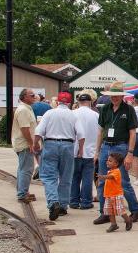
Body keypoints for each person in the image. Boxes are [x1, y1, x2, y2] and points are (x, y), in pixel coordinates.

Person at [93, 81, 138, 225]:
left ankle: (136, 209)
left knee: (122, 181)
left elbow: (133, 133)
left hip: (121, 146)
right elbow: (100, 131)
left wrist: (130, 153)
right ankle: (105, 213)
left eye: (117, 95)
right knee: (102, 180)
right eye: (112, 95)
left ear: (122, 95)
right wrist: (97, 151)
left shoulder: (129, 110)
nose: (114, 98)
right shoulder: (105, 109)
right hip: (106, 146)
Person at [35, 92, 78, 221]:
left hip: (50, 144)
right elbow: (80, 134)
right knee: (66, 176)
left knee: (49, 176)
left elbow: (39, 131)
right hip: (68, 145)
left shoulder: (49, 113)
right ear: (69, 103)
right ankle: (63, 206)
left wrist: (34, 144)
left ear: (58, 102)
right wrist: (80, 149)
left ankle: (53, 202)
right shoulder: (73, 115)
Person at [70, 92, 99, 210]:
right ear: (90, 102)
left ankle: (73, 201)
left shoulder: (72, 114)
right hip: (90, 151)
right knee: (87, 177)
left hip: (74, 150)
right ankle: (86, 202)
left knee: (74, 177)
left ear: (78, 102)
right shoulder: (96, 115)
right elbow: (99, 133)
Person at [12, 88, 38, 202]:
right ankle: (22, 194)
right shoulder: (23, 110)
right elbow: (24, 128)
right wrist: (31, 143)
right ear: (24, 97)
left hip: (23, 143)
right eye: (32, 95)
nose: (34, 96)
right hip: (24, 144)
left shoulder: (26, 108)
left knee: (23, 168)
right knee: (27, 169)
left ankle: (22, 191)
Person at [97, 152, 133, 232]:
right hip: (109, 195)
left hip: (116, 195)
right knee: (109, 211)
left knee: (120, 211)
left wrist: (103, 177)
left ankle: (128, 220)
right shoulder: (110, 171)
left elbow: (110, 177)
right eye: (107, 160)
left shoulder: (116, 171)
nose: (107, 162)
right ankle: (113, 224)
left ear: (116, 163)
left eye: (110, 161)